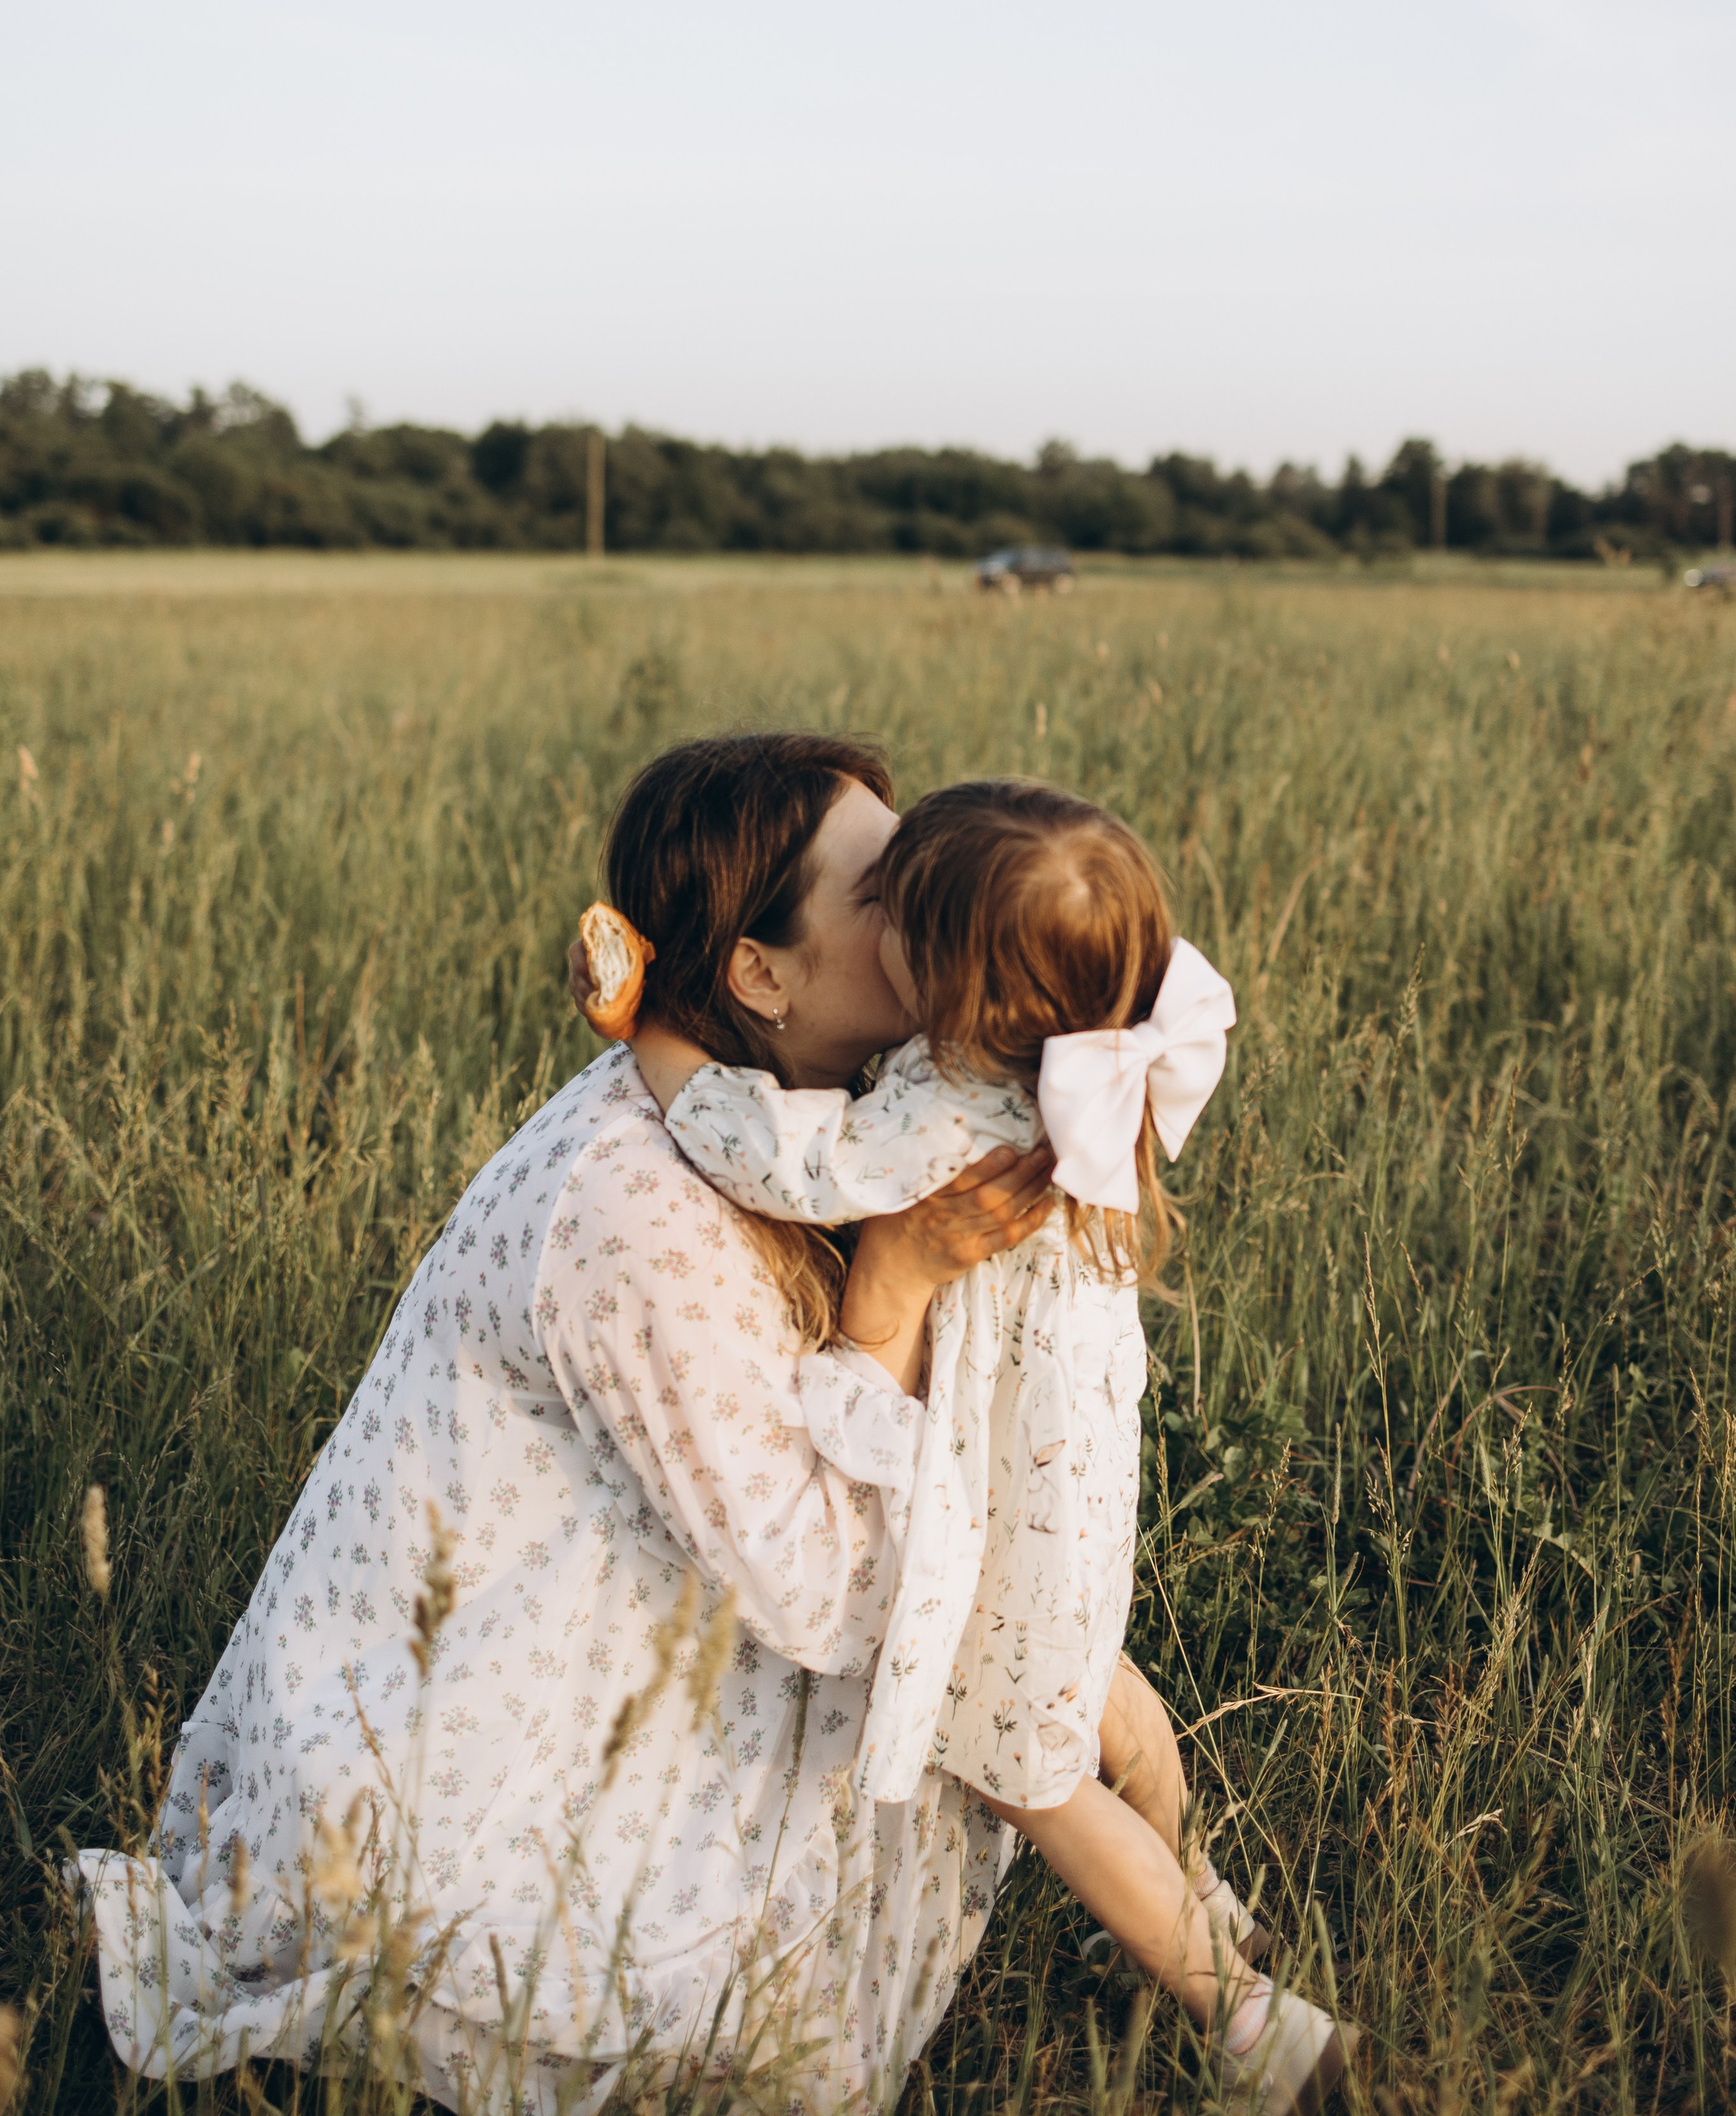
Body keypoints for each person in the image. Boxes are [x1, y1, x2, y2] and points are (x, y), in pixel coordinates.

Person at [77, 732, 1056, 2115]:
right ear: (760, 976)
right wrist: (890, 1292)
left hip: (603, 1636)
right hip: (449, 1764)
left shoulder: (801, 1117)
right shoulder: (634, 1206)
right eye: (887, 893)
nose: (936, 908)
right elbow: (826, 1597)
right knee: (780, 2035)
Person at [625, 779, 1352, 2112]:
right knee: (1102, 1692)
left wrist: (654, 1043)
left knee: (1039, 1780)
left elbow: (786, 1163)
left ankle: (1257, 2026)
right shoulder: (1091, 1037)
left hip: (1001, 1493)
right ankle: (1203, 1894)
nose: (879, 928)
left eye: (900, 917)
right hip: (1076, 1478)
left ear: (961, 993)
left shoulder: (951, 1102)